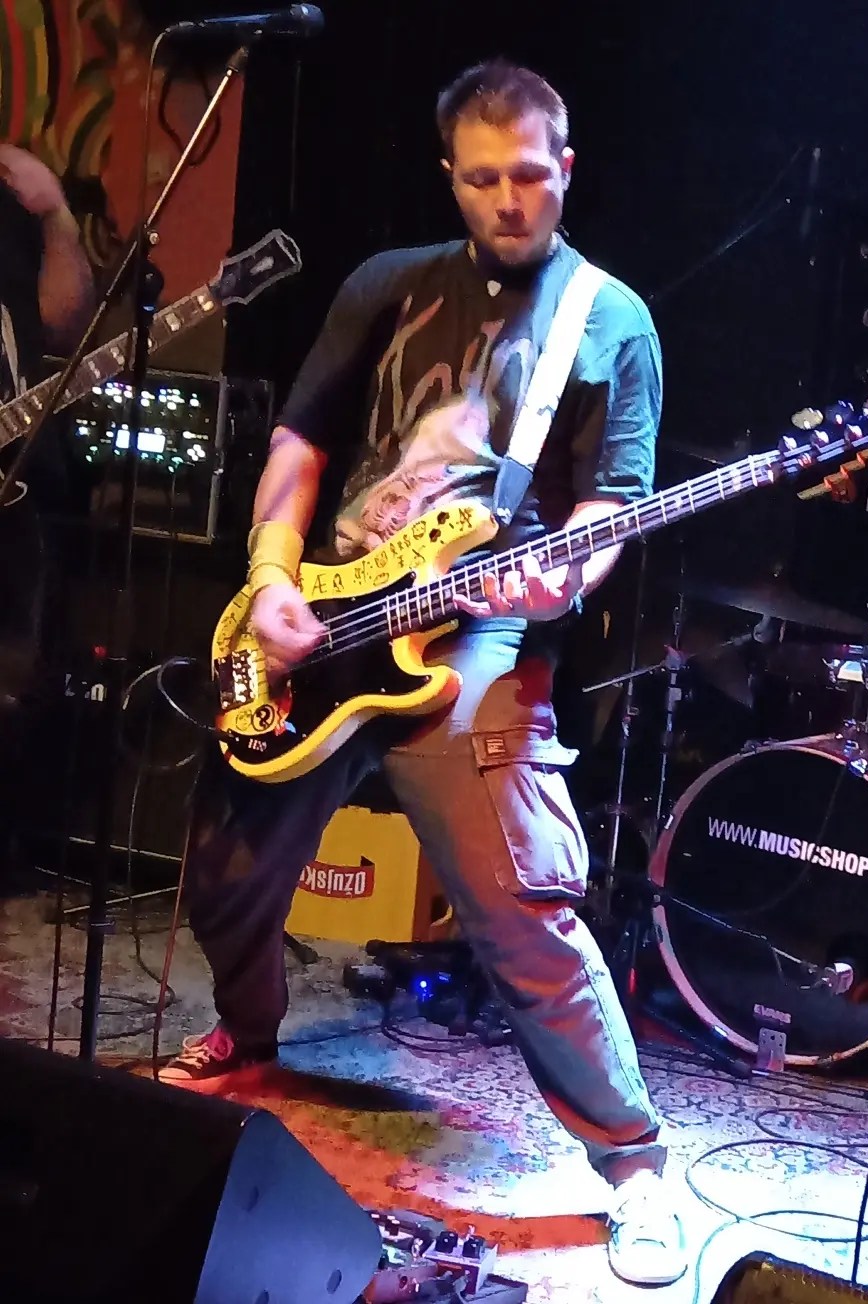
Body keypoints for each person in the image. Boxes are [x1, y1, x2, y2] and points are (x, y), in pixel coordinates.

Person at [157, 62, 686, 1287]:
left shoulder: (609, 319)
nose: (508, 198)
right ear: (450, 175)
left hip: (481, 629)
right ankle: (246, 1031)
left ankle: (634, 1164)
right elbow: (301, 439)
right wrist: (272, 573)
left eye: (529, 174)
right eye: (481, 177)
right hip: (331, 602)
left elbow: (609, 507)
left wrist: (556, 580)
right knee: (225, 863)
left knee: (519, 899)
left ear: (566, 169)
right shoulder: (385, 283)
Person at [0, 144, 94, 863]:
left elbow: (65, 323)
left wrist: (56, 214)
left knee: (13, 682)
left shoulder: (11, 189)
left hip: (14, 485)